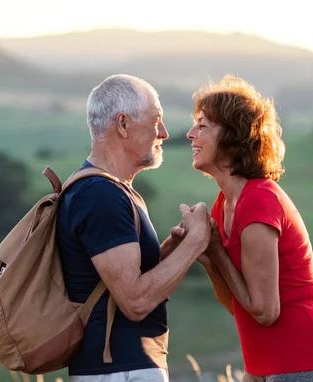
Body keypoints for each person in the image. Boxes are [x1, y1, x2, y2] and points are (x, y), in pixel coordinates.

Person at [56, 74, 211, 382]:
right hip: (118, 371)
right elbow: (135, 301)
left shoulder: (110, 191)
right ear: (123, 125)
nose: (165, 133)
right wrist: (196, 241)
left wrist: (169, 250)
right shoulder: (101, 195)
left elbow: (125, 280)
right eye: (156, 121)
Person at [186, 75, 313, 381]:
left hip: (298, 361)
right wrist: (209, 260)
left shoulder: (258, 201)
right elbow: (235, 304)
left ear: (231, 135)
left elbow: (265, 312)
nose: (191, 134)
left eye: (202, 125)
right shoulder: (223, 203)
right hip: (263, 363)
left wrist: (216, 249)